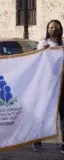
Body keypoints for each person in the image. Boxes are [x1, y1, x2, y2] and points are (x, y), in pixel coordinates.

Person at [33, 19, 64, 153]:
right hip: (47, 83)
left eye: (56, 28)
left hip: (62, 83)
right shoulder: (43, 43)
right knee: (42, 112)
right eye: (51, 28)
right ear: (47, 29)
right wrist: (43, 52)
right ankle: (37, 140)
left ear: (60, 29)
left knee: (63, 114)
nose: (53, 30)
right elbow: (37, 60)